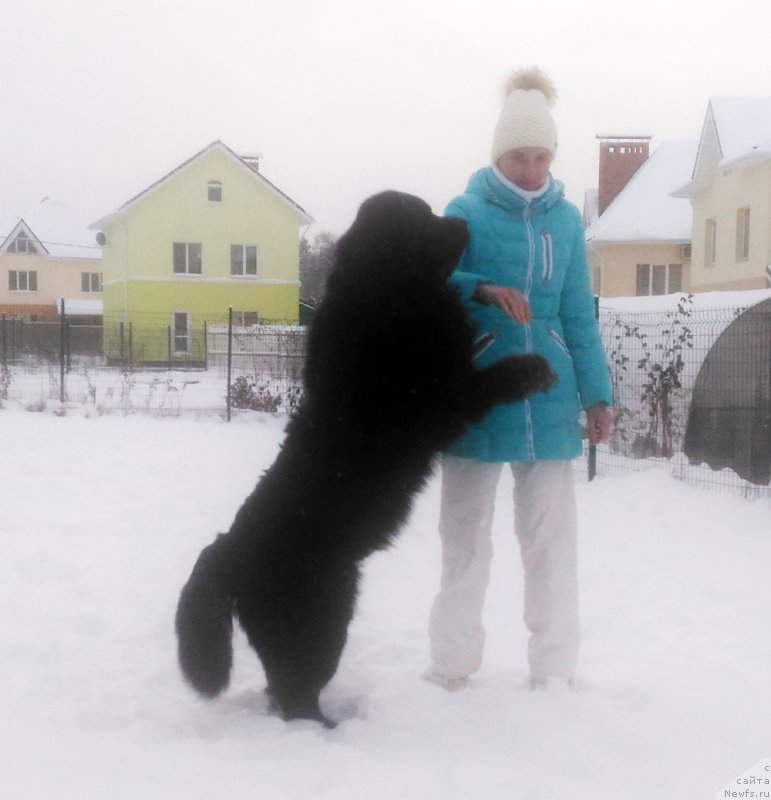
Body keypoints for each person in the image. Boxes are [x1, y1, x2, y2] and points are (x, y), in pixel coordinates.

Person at [425, 67, 613, 692]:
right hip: (480, 395)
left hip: (550, 395)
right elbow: (426, 283)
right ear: (498, 155)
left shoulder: (565, 221)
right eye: (519, 157)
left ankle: (555, 671)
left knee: (552, 547)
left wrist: (598, 395)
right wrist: (477, 287)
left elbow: (580, 312)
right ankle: (452, 666)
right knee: (464, 543)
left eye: (542, 157)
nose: (532, 170)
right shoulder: (465, 210)